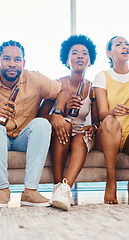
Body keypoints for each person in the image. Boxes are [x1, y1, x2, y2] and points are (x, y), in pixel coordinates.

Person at [0, 40, 68, 208]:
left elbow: (62, 91)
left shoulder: (34, 77)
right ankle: (3, 190)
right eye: (7, 59)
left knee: (43, 124)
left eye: (17, 60)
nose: (12, 64)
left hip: (23, 137)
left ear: (23, 63)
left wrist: (58, 113)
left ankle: (30, 192)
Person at [38, 35, 98, 211]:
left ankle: (64, 188)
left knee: (81, 136)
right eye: (74, 53)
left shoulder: (93, 88)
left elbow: (97, 121)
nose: (80, 56)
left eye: (84, 53)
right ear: (67, 60)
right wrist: (62, 112)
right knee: (65, 123)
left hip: (80, 136)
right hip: (60, 132)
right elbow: (39, 118)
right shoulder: (56, 84)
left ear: (90, 60)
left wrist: (93, 127)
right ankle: (57, 185)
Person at [93, 36, 129, 205]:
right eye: (119, 44)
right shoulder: (102, 76)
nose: (125, 46)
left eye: (127, 44)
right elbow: (102, 113)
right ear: (109, 53)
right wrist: (113, 111)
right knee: (111, 120)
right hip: (109, 133)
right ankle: (111, 182)